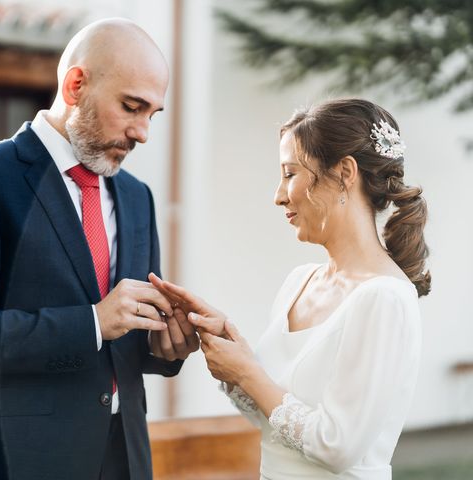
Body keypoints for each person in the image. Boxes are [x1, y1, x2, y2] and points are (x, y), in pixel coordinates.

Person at [0, 18, 199, 480]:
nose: (143, 132)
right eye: (132, 107)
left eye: (153, 114)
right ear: (75, 85)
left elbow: (124, 342)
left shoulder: (136, 197)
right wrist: (92, 321)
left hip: (124, 459)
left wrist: (166, 347)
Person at [151, 98, 430, 479]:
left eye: (290, 174)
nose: (279, 195)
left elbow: (338, 447)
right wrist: (230, 348)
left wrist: (249, 373)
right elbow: (274, 419)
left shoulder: (384, 298)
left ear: (345, 173)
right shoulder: (299, 282)